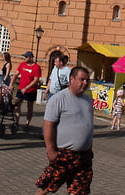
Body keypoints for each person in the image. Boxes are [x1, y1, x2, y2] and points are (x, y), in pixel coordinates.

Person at [34, 66, 94, 195]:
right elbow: (48, 125)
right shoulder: (59, 99)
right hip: (64, 154)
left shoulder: (88, 100)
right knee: (46, 186)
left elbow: (88, 125)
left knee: (80, 190)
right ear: (71, 79)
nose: (85, 83)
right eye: (82, 79)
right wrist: (51, 151)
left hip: (84, 156)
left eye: (87, 80)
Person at [15, 51, 43, 126]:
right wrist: (11, 84)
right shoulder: (22, 64)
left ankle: (27, 122)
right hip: (21, 88)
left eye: (26, 57)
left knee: (29, 107)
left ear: (30, 58)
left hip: (31, 90)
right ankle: (16, 121)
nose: (24, 58)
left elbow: (36, 80)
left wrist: (26, 88)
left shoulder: (36, 67)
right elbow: (16, 74)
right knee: (17, 105)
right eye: (24, 57)